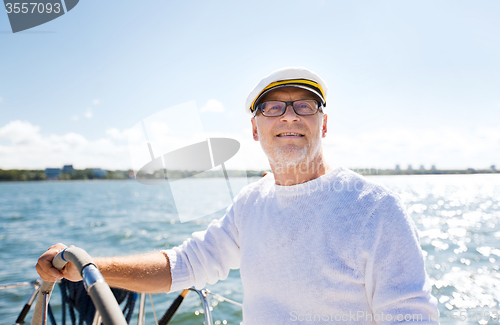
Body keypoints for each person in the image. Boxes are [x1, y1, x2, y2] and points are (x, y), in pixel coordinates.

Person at [37, 67, 440, 324]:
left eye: (304, 105)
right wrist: (90, 266)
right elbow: (186, 263)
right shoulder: (252, 202)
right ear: (254, 129)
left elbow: (409, 318)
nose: (289, 116)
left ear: (324, 123)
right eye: (272, 108)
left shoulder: (374, 208)